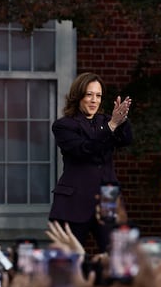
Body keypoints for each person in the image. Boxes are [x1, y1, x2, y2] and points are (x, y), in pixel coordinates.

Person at [49, 72, 132, 252]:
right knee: (68, 261)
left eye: (98, 95)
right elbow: (84, 150)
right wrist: (111, 126)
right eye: (89, 94)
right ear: (78, 96)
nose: (94, 100)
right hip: (75, 200)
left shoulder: (106, 121)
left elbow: (126, 140)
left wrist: (122, 120)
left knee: (116, 257)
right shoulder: (64, 125)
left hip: (108, 197)